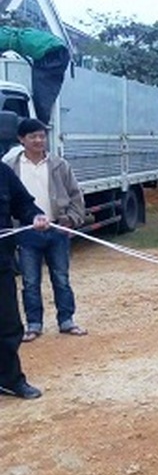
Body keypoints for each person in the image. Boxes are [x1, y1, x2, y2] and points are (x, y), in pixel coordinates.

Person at [3, 118, 86, 342]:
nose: (39, 140)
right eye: (33, 136)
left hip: (57, 229)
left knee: (61, 278)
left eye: (42, 135)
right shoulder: (10, 167)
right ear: (21, 139)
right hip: (27, 232)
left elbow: (76, 196)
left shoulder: (59, 165)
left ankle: (67, 321)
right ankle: (34, 324)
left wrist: (71, 220)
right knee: (30, 281)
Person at [0, 161, 49, 400]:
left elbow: (23, 204)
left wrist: (35, 216)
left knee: (8, 326)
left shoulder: (3, 172)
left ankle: (9, 380)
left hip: (1, 263)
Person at [0, 27, 71, 125]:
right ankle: (41, 121)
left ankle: (40, 124)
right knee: (45, 88)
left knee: (43, 92)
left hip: (51, 53)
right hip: (56, 49)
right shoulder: (6, 33)